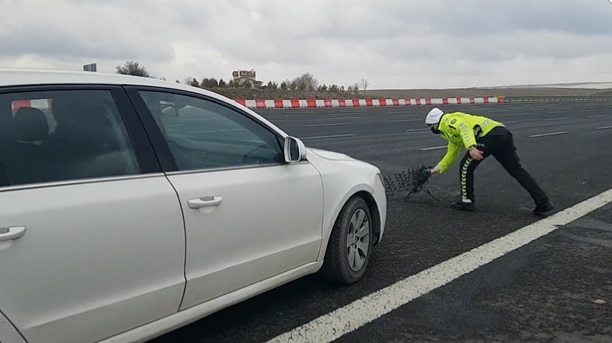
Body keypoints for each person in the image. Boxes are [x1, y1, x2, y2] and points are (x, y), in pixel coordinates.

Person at [424, 107, 554, 215]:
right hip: (503, 134)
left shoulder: (448, 121)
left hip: (490, 136)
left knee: (465, 166)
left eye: (430, 126)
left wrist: (471, 147)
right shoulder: (450, 135)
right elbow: (451, 154)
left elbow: (464, 128)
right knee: (516, 170)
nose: (430, 129)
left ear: (435, 123)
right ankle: (543, 202)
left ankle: (467, 201)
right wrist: (437, 169)